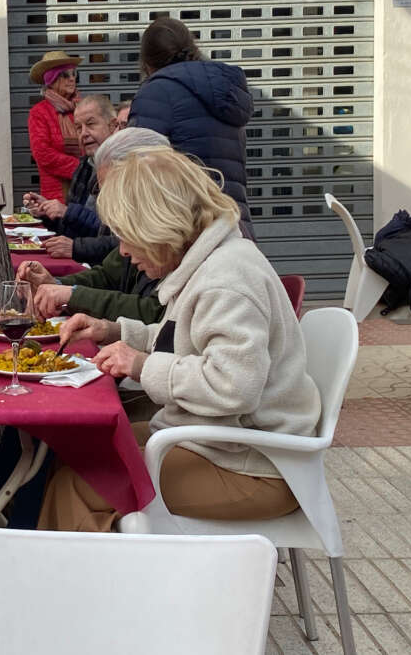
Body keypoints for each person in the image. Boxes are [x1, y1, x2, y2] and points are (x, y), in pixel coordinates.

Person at [38, 147, 320, 532]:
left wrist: (140, 365)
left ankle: (89, 572)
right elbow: (184, 340)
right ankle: (74, 566)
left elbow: (234, 386)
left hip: (254, 466)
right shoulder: (208, 262)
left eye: (127, 236)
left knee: (82, 484)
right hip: (222, 444)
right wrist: (113, 331)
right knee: (77, 452)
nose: (123, 251)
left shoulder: (226, 280)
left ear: (158, 225)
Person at [17, 127, 171, 325]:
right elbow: (108, 276)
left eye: (112, 189)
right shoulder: (142, 220)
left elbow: (155, 312)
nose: (105, 200)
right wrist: (55, 285)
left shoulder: (171, 230)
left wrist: (71, 294)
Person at [128, 16, 256, 239]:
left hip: (187, 228)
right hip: (234, 224)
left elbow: (139, 171)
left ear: (146, 61)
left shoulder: (156, 92)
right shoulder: (226, 91)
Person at [23, 94, 120, 265]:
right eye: (78, 128)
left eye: (91, 124)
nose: (84, 134)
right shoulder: (84, 166)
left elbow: (117, 240)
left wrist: (69, 214)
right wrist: (48, 214)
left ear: (113, 126)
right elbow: (70, 232)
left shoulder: (126, 168)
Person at [27, 50, 83, 202]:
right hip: (57, 196)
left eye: (74, 74)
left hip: (87, 190)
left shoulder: (83, 108)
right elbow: (42, 154)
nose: (72, 78)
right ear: (51, 79)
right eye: (65, 75)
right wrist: (81, 169)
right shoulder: (39, 112)